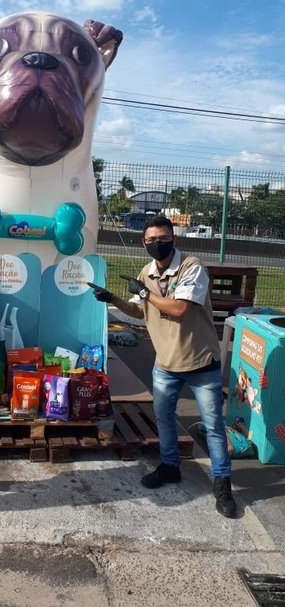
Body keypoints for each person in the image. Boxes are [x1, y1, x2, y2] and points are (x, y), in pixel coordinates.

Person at [91, 216, 236, 519]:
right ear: (144, 244)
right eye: (151, 240)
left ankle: (222, 482)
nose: (157, 244)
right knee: (164, 419)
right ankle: (170, 467)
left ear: (173, 238)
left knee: (214, 427)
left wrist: (145, 293)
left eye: (163, 238)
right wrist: (112, 298)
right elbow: (139, 309)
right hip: (166, 363)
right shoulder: (147, 272)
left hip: (200, 362)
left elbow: (180, 309)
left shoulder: (191, 267)